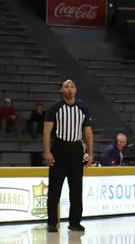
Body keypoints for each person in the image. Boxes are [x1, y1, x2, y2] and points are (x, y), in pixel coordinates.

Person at [43, 80, 93, 234]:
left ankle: (75, 222)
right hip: (59, 148)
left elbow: (88, 132)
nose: (69, 89)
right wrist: (47, 151)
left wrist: (90, 153)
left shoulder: (82, 109)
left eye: (72, 86)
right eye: (66, 86)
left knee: (76, 188)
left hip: (76, 149)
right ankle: (52, 223)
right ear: (62, 90)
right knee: (54, 188)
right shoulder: (54, 108)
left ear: (76, 90)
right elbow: (47, 130)